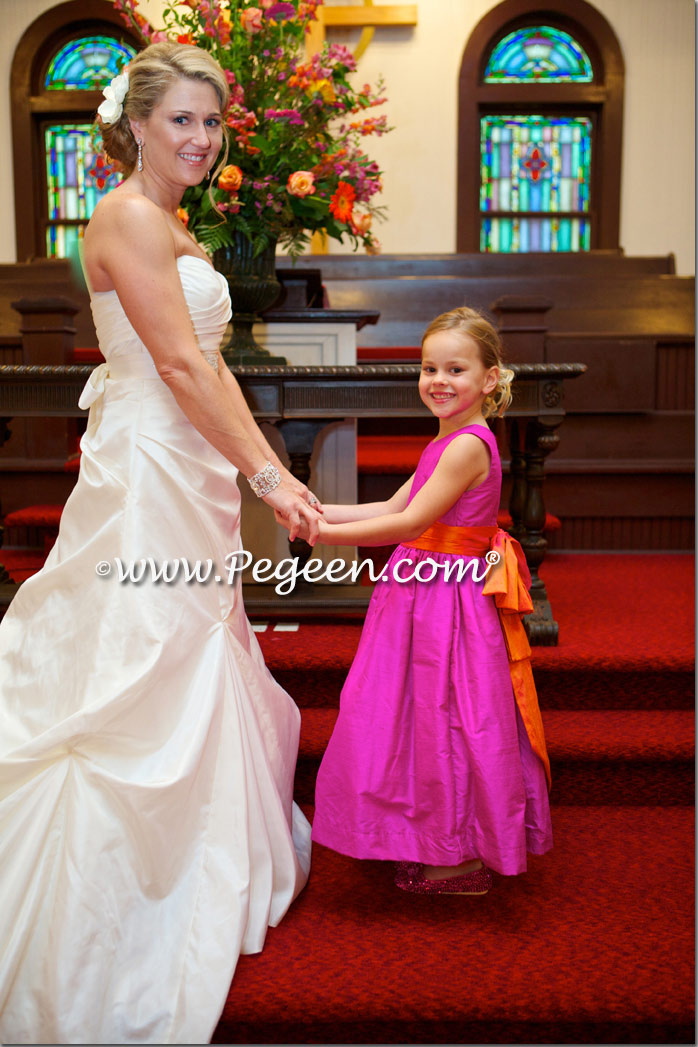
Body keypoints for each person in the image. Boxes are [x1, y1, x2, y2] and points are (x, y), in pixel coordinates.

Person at [0, 43, 320, 1045]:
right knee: (138, 658)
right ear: (133, 124)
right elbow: (178, 367)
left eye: (210, 122)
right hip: (146, 469)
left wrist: (260, 472)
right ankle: (117, 899)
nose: (199, 137)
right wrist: (271, 473)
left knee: (193, 640)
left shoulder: (169, 220)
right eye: (179, 119)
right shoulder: (125, 216)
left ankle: (203, 848)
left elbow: (211, 373)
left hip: (192, 470)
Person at [301, 307, 553, 894]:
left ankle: (460, 857)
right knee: (415, 713)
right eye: (428, 367)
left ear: (490, 379)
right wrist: (314, 509)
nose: (438, 380)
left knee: (451, 716)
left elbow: (408, 523)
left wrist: (320, 534)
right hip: (423, 590)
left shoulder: (469, 444)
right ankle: (431, 836)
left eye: (455, 369)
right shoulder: (446, 437)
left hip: (448, 602)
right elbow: (391, 505)